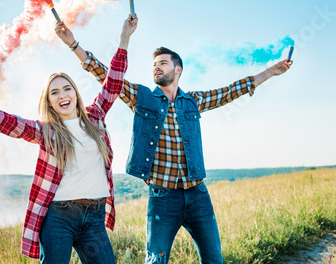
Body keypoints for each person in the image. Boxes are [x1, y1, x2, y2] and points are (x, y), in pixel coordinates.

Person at [55, 20, 292, 264]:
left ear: (177, 70)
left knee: (214, 259)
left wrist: (271, 72)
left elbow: (231, 91)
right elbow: (107, 75)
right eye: (154, 65)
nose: (156, 68)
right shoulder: (142, 97)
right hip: (162, 197)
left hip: (198, 194)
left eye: (163, 63)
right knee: (155, 260)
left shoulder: (193, 101)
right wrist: (74, 44)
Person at [0, 15, 137, 263]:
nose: (62, 95)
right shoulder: (45, 131)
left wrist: (124, 37)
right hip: (59, 217)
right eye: (55, 93)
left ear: (76, 93)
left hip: (94, 216)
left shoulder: (95, 117)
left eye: (67, 88)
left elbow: (113, 81)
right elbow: (3, 121)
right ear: (49, 102)